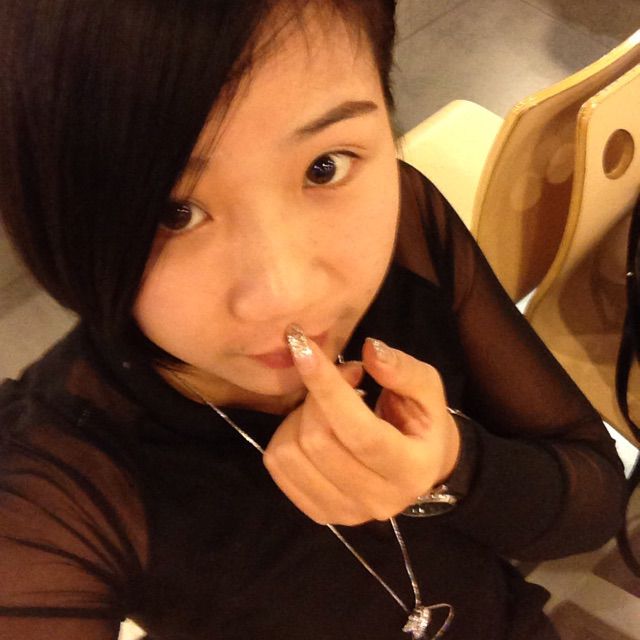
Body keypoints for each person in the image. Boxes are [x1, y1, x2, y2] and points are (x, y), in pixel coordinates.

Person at [0, 1, 628, 639]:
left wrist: (450, 465)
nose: (286, 294)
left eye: (324, 167)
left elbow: (595, 498)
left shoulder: (408, 225)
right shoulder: (56, 487)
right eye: (174, 213)